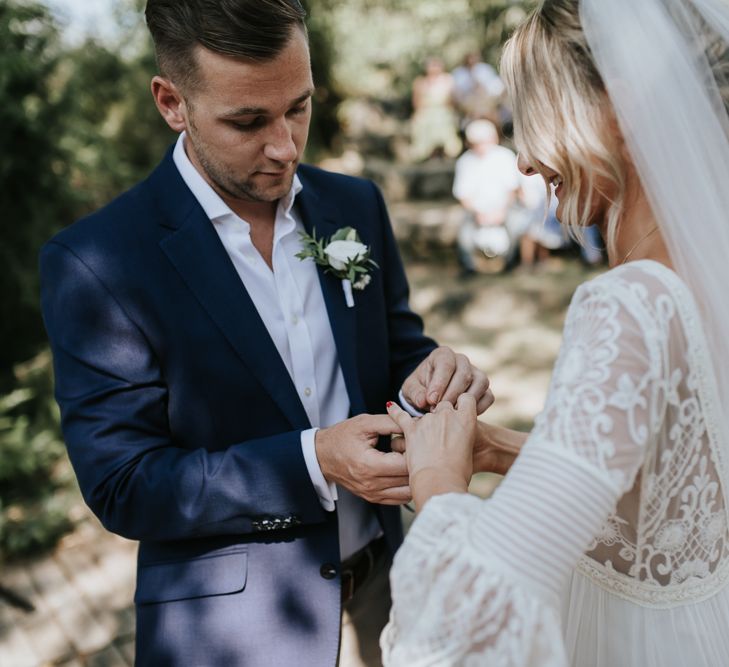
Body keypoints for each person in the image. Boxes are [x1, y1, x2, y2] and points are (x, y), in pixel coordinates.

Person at [38, 2, 493, 665]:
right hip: (236, 630)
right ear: (172, 102)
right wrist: (313, 461)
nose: (284, 145)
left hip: (393, 584)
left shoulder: (354, 204)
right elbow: (124, 483)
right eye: (247, 121)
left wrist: (432, 372)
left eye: (298, 107)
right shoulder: (97, 262)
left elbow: (394, 349)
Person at [381, 0, 729, 665]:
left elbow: (486, 605)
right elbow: (668, 492)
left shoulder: (629, 303)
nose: (522, 160)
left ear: (619, 111)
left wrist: (435, 476)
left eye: (534, 116)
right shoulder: (705, 272)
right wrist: (496, 448)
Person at [452, 119, 520, 273]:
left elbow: (512, 190)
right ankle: (468, 265)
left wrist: (501, 212)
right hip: (476, 209)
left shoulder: (505, 156)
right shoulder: (464, 161)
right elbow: (463, 195)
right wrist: (478, 213)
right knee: (465, 231)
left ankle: (510, 261)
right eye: (476, 142)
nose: (481, 146)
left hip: (504, 207)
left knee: (515, 223)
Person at [409, 57, 462, 162]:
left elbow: (454, 100)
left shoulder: (448, 80)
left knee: (443, 120)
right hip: (426, 111)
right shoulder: (420, 82)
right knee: (423, 121)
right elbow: (416, 102)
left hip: (444, 111)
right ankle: (428, 153)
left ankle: (446, 152)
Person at [451, 51, 505, 128]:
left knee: (495, 119)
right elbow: (457, 94)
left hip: (486, 103)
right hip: (467, 107)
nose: (471, 61)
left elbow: (496, 87)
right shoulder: (459, 73)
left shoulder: (485, 69)